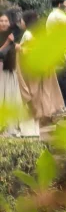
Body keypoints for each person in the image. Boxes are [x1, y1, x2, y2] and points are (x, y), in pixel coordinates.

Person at [18, 9, 65, 125]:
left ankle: (38, 116)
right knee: (45, 89)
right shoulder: (40, 32)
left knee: (34, 91)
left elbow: (27, 51)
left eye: (22, 20)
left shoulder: (27, 34)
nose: (20, 22)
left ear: (26, 21)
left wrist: (19, 49)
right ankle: (47, 113)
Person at [0, 9, 37, 137]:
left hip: (12, 72)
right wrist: (8, 42)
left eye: (6, 21)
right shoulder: (8, 38)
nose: (4, 23)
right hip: (2, 73)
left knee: (12, 100)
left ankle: (12, 128)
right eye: (1, 21)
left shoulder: (14, 34)